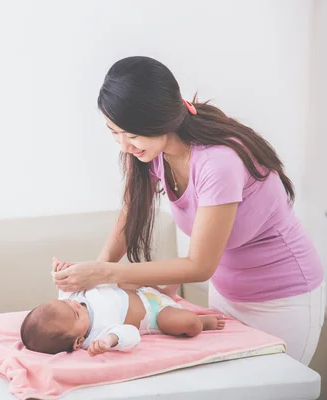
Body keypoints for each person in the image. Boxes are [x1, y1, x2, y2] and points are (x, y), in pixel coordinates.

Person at [51, 56, 325, 365]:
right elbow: (129, 216)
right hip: (226, 293)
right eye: (115, 132)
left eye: (130, 134)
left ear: (159, 120)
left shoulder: (217, 162)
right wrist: (91, 283)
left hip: (283, 299)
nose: (123, 145)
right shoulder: (150, 151)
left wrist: (105, 273)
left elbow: (199, 266)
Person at [21, 259, 225, 356]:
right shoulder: (97, 336)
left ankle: (165, 292)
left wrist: (62, 271)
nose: (74, 303)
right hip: (155, 313)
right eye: (76, 313)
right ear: (78, 341)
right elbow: (131, 334)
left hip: (141, 290)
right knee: (184, 322)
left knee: (129, 272)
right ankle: (201, 322)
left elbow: (66, 290)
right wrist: (110, 341)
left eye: (66, 302)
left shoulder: (71, 299)